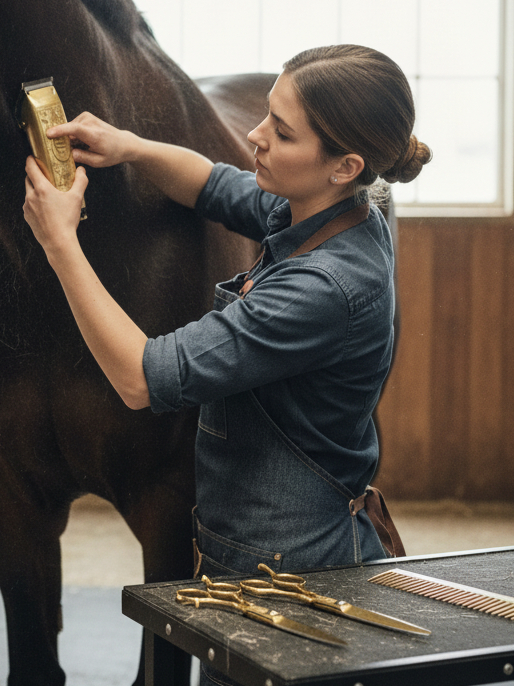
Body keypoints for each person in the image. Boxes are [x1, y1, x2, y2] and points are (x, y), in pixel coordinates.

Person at [23, 44, 431, 603]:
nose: (256, 136)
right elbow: (210, 184)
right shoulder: (326, 211)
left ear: (345, 167)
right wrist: (130, 147)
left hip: (290, 565)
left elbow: (142, 378)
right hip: (254, 548)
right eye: (266, 114)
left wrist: (60, 241)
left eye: (283, 133)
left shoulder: (323, 286)